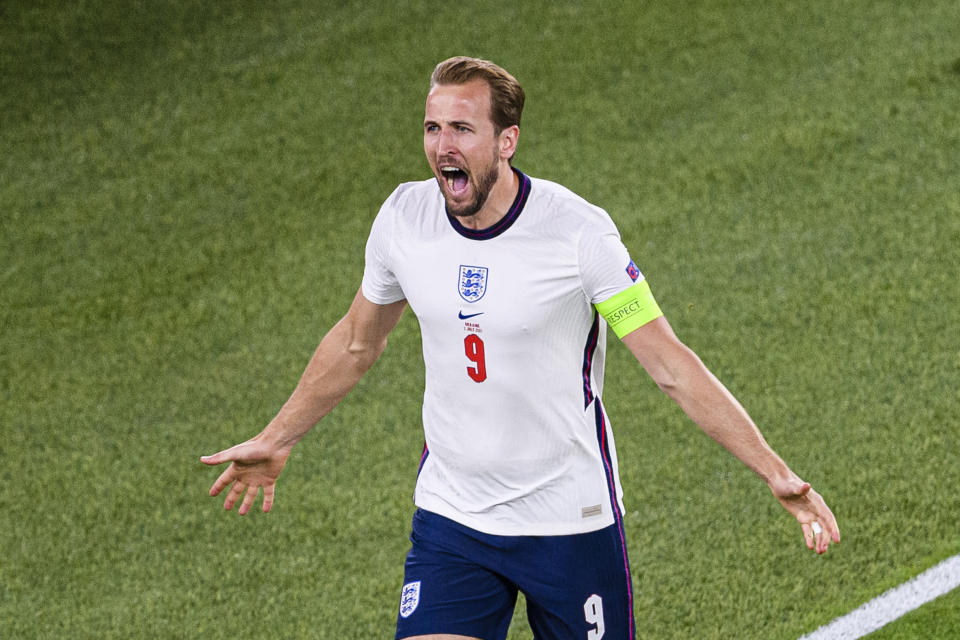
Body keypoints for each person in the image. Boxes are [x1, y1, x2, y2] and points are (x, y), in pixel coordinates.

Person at [201, 56, 840, 640]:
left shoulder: (578, 235)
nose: (442, 146)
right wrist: (279, 436)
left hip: (569, 519)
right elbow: (354, 343)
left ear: (507, 141)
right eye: (431, 128)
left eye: (462, 128)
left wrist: (775, 472)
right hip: (453, 517)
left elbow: (669, 365)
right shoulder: (404, 220)